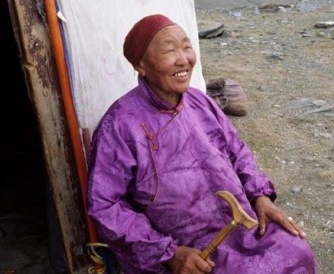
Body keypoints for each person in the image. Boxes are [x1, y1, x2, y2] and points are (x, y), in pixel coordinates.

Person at [87, 14, 317, 274]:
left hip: (238, 222)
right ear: (141, 65)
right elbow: (107, 205)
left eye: (186, 46)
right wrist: (169, 254)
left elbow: (237, 151)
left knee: (297, 251)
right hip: (184, 246)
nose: (183, 58)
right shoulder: (119, 124)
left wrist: (260, 196)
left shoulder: (200, 102)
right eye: (169, 50)